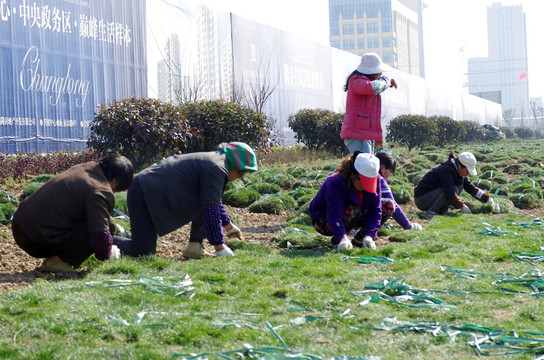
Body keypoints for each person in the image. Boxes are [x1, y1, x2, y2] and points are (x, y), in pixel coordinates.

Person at [114, 142, 257, 259]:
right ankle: (96, 238)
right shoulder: (216, 168)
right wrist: (219, 247)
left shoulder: (216, 163)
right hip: (143, 192)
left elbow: (212, 199)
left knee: (205, 202)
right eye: (240, 173)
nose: (238, 178)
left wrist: (229, 226)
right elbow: (210, 208)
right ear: (236, 166)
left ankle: (194, 247)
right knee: (142, 250)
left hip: (149, 189)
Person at [12, 155, 135, 273]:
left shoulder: (86, 168)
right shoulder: (101, 191)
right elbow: (100, 236)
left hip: (19, 225)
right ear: (115, 180)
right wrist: (108, 252)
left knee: (104, 221)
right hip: (36, 239)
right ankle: (57, 262)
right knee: (109, 225)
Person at [308, 152, 382, 250]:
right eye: (361, 180)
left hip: (353, 214)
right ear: (352, 174)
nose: (364, 186)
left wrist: (369, 235)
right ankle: (339, 240)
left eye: (369, 181)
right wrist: (342, 237)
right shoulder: (335, 182)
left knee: (388, 206)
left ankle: (360, 240)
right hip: (324, 219)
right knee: (352, 210)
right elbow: (334, 213)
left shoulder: (377, 181)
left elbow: (375, 211)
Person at [340, 52, 398, 154]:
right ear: (370, 71)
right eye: (379, 71)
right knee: (364, 168)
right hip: (357, 136)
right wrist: (386, 80)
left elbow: (375, 86)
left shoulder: (363, 82)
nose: (381, 73)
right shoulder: (356, 81)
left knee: (366, 167)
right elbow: (374, 87)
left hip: (363, 136)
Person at [414, 151, 498, 215]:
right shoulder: (446, 170)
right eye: (467, 170)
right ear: (459, 166)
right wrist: (462, 206)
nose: (468, 173)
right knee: (453, 189)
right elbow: (449, 193)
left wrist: (486, 198)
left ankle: (442, 211)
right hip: (422, 199)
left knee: (459, 186)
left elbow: (470, 187)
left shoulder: (458, 171)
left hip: (433, 195)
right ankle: (431, 212)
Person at [375, 151, 422, 230]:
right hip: (362, 213)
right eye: (391, 171)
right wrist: (408, 225)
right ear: (382, 167)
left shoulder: (362, 173)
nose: (390, 175)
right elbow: (394, 205)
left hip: (351, 213)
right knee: (389, 205)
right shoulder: (380, 179)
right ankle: (367, 232)